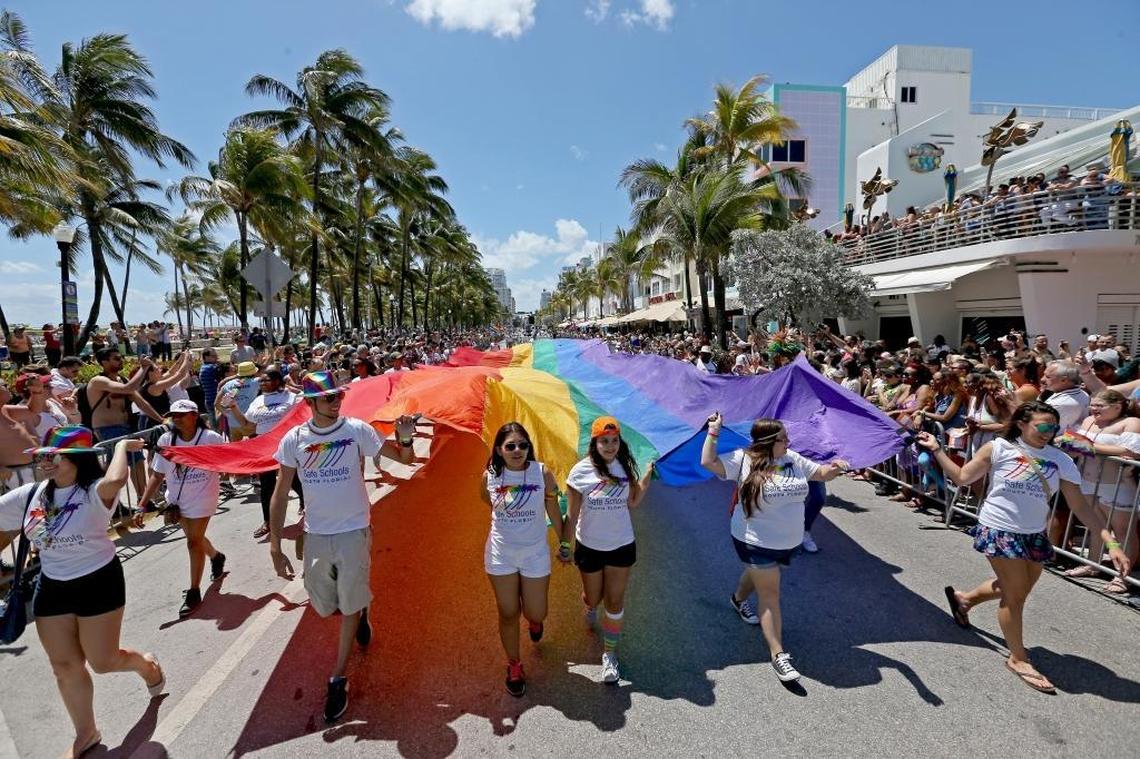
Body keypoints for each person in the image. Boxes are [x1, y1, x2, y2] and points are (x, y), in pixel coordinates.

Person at [917, 402, 1131, 693]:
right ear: (1021, 423)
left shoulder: (1060, 459)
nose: (1048, 433)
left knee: (1015, 588)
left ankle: (964, 600)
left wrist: (1113, 544)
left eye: (1054, 428)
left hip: (1033, 534)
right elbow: (963, 478)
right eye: (1043, 427)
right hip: (1000, 529)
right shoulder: (998, 448)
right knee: (1015, 596)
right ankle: (1018, 658)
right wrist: (937, 448)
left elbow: (1081, 507)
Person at [0, 426, 165, 757]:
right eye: (43, 456)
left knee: (103, 662)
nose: (45, 462)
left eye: (53, 456)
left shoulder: (93, 491)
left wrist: (120, 447)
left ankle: (146, 666)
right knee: (64, 665)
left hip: (98, 581)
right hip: (52, 587)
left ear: (78, 460)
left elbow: (117, 481)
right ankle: (86, 733)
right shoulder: (30, 495)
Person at [268, 370, 418, 722]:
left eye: (339, 396)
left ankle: (338, 676)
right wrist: (275, 546)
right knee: (324, 603)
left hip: (354, 531)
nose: (337, 402)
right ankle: (360, 609)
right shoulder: (294, 440)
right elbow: (279, 493)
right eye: (329, 398)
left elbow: (404, 459)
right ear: (310, 403)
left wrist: (407, 439)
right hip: (317, 534)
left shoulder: (356, 431)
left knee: (348, 602)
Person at [700, 413, 848, 683]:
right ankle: (779, 655)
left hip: (787, 541)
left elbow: (821, 474)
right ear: (769, 441)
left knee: (761, 576)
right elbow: (708, 462)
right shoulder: (743, 459)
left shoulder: (792, 458)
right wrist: (714, 431)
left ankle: (737, 600)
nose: (788, 442)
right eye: (783, 438)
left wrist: (836, 467)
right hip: (754, 539)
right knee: (770, 594)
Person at [561, 416, 654, 684]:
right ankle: (589, 605)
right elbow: (572, 512)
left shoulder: (626, 467)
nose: (610, 446)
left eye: (614, 441)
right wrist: (566, 544)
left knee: (615, 601)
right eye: (604, 441)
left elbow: (633, 502)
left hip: (621, 545)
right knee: (594, 598)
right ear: (595, 442)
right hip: (589, 546)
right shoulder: (580, 471)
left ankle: (610, 655)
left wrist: (647, 475)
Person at [480, 422, 567, 697]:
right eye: (510, 446)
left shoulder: (541, 473)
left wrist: (565, 542)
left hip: (535, 554)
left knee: (536, 611)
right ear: (499, 450)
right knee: (507, 612)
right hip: (500, 554)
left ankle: (535, 621)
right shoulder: (490, 476)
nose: (517, 450)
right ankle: (514, 664)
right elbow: (487, 500)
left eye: (523, 445)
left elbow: (553, 508)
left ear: (529, 448)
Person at [139, 400, 228, 616]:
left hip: (204, 497)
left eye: (181, 414)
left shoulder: (209, 438)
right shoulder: (166, 439)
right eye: (173, 415)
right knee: (195, 539)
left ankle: (194, 591)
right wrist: (142, 504)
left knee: (192, 542)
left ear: (194, 415)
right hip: (177, 500)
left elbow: (226, 461)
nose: (176, 418)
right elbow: (158, 474)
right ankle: (216, 556)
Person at [1060, 390, 1140, 592]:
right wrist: (1075, 444)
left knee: (1123, 532)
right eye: (1092, 405)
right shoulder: (1088, 421)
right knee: (1096, 526)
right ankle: (1093, 564)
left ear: (1117, 406)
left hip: (1117, 484)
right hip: (1087, 481)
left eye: (1099, 406)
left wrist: (1087, 446)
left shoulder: (1130, 422)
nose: (1093, 409)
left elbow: (1129, 451)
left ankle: (1124, 576)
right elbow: (1070, 441)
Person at [227, 366, 304, 538]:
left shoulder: (291, 397)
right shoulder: (257, 401)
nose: (261, 383)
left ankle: (307, 505)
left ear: (277, 381)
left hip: (287, 444)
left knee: (293, 479)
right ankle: (267, 522)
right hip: (264, 446)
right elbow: (247, 425)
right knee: (266, 485)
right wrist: (233, 407)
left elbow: (303, 414)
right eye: (260, 380)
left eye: (265, 380)